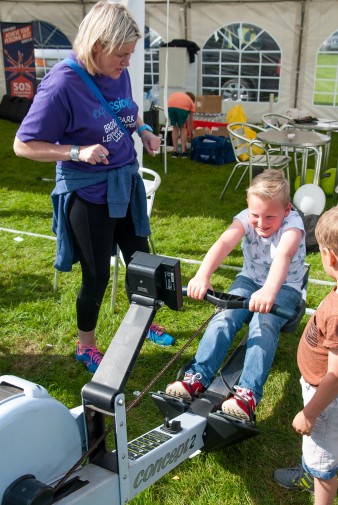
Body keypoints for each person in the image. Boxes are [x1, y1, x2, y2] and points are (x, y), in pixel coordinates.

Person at [13, 1, 174, 374]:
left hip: (124, 183)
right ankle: (86, 345)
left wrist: (145, 130)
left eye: (131, 54)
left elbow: (126, 109)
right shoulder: (62, 83)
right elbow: (23, 145)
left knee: (142, 264)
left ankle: (142, 323)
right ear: (97, 44)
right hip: (87, 192)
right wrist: (76, 151)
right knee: (98, 274)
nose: (126, 63)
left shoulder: (117, 69)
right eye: (121, 54)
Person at [166, 169, 306, 420]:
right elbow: (223, 243)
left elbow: (283, 256)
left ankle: (247, 395)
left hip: (284, 286)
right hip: (250, 279)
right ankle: (196, 377)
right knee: (224, 316)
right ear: (247, 206)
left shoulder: (292, 225)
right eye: (255, 215)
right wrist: (202, 275)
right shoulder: (245, 218)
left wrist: (269, 291)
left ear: (286, 211)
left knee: (264, 323)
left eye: (269, 217)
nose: (261, 223)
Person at [274, 206, 338, 504]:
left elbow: (335, 376)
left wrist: (310, 412)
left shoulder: (337, 313)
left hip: (324, 399)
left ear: (330, 258)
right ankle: (307, 471)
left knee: (323, 463)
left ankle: (316, 482)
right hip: (320, 392)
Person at [168, 91, 195, 158]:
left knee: (175, 127)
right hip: (181, 108)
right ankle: (183, 151)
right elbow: (190, 123)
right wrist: (191, 134)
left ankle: (175, 151)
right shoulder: (191, 102)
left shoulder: (180, 95)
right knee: (182, 127)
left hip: (170, 105)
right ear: (192, 100)